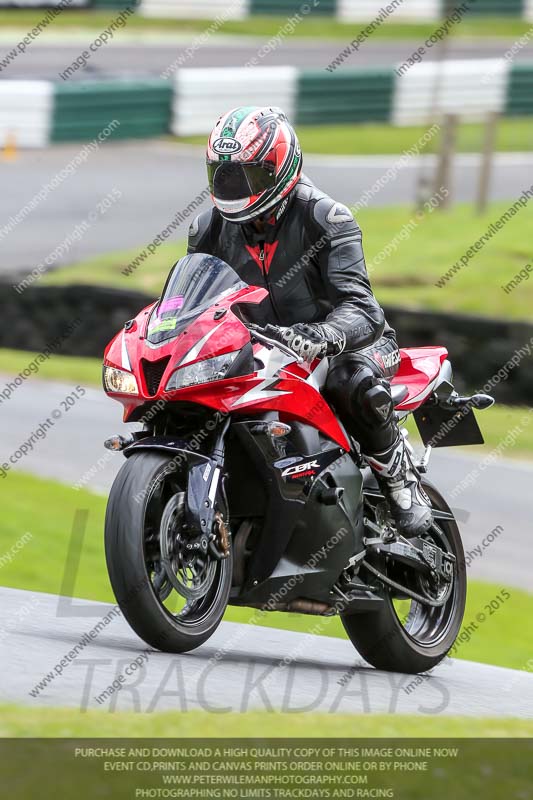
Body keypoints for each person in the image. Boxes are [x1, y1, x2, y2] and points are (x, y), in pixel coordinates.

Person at [187, 105, 433, 536]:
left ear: (282, 169)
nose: (235, 187)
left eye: (250, 176)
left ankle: (399, 480)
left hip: (353, 342)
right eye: (225, 175)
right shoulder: (207, 229)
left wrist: (322, 335)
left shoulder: (326, 218)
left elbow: (362, 307)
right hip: (265, 347)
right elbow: (194, 300)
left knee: (349, 380)